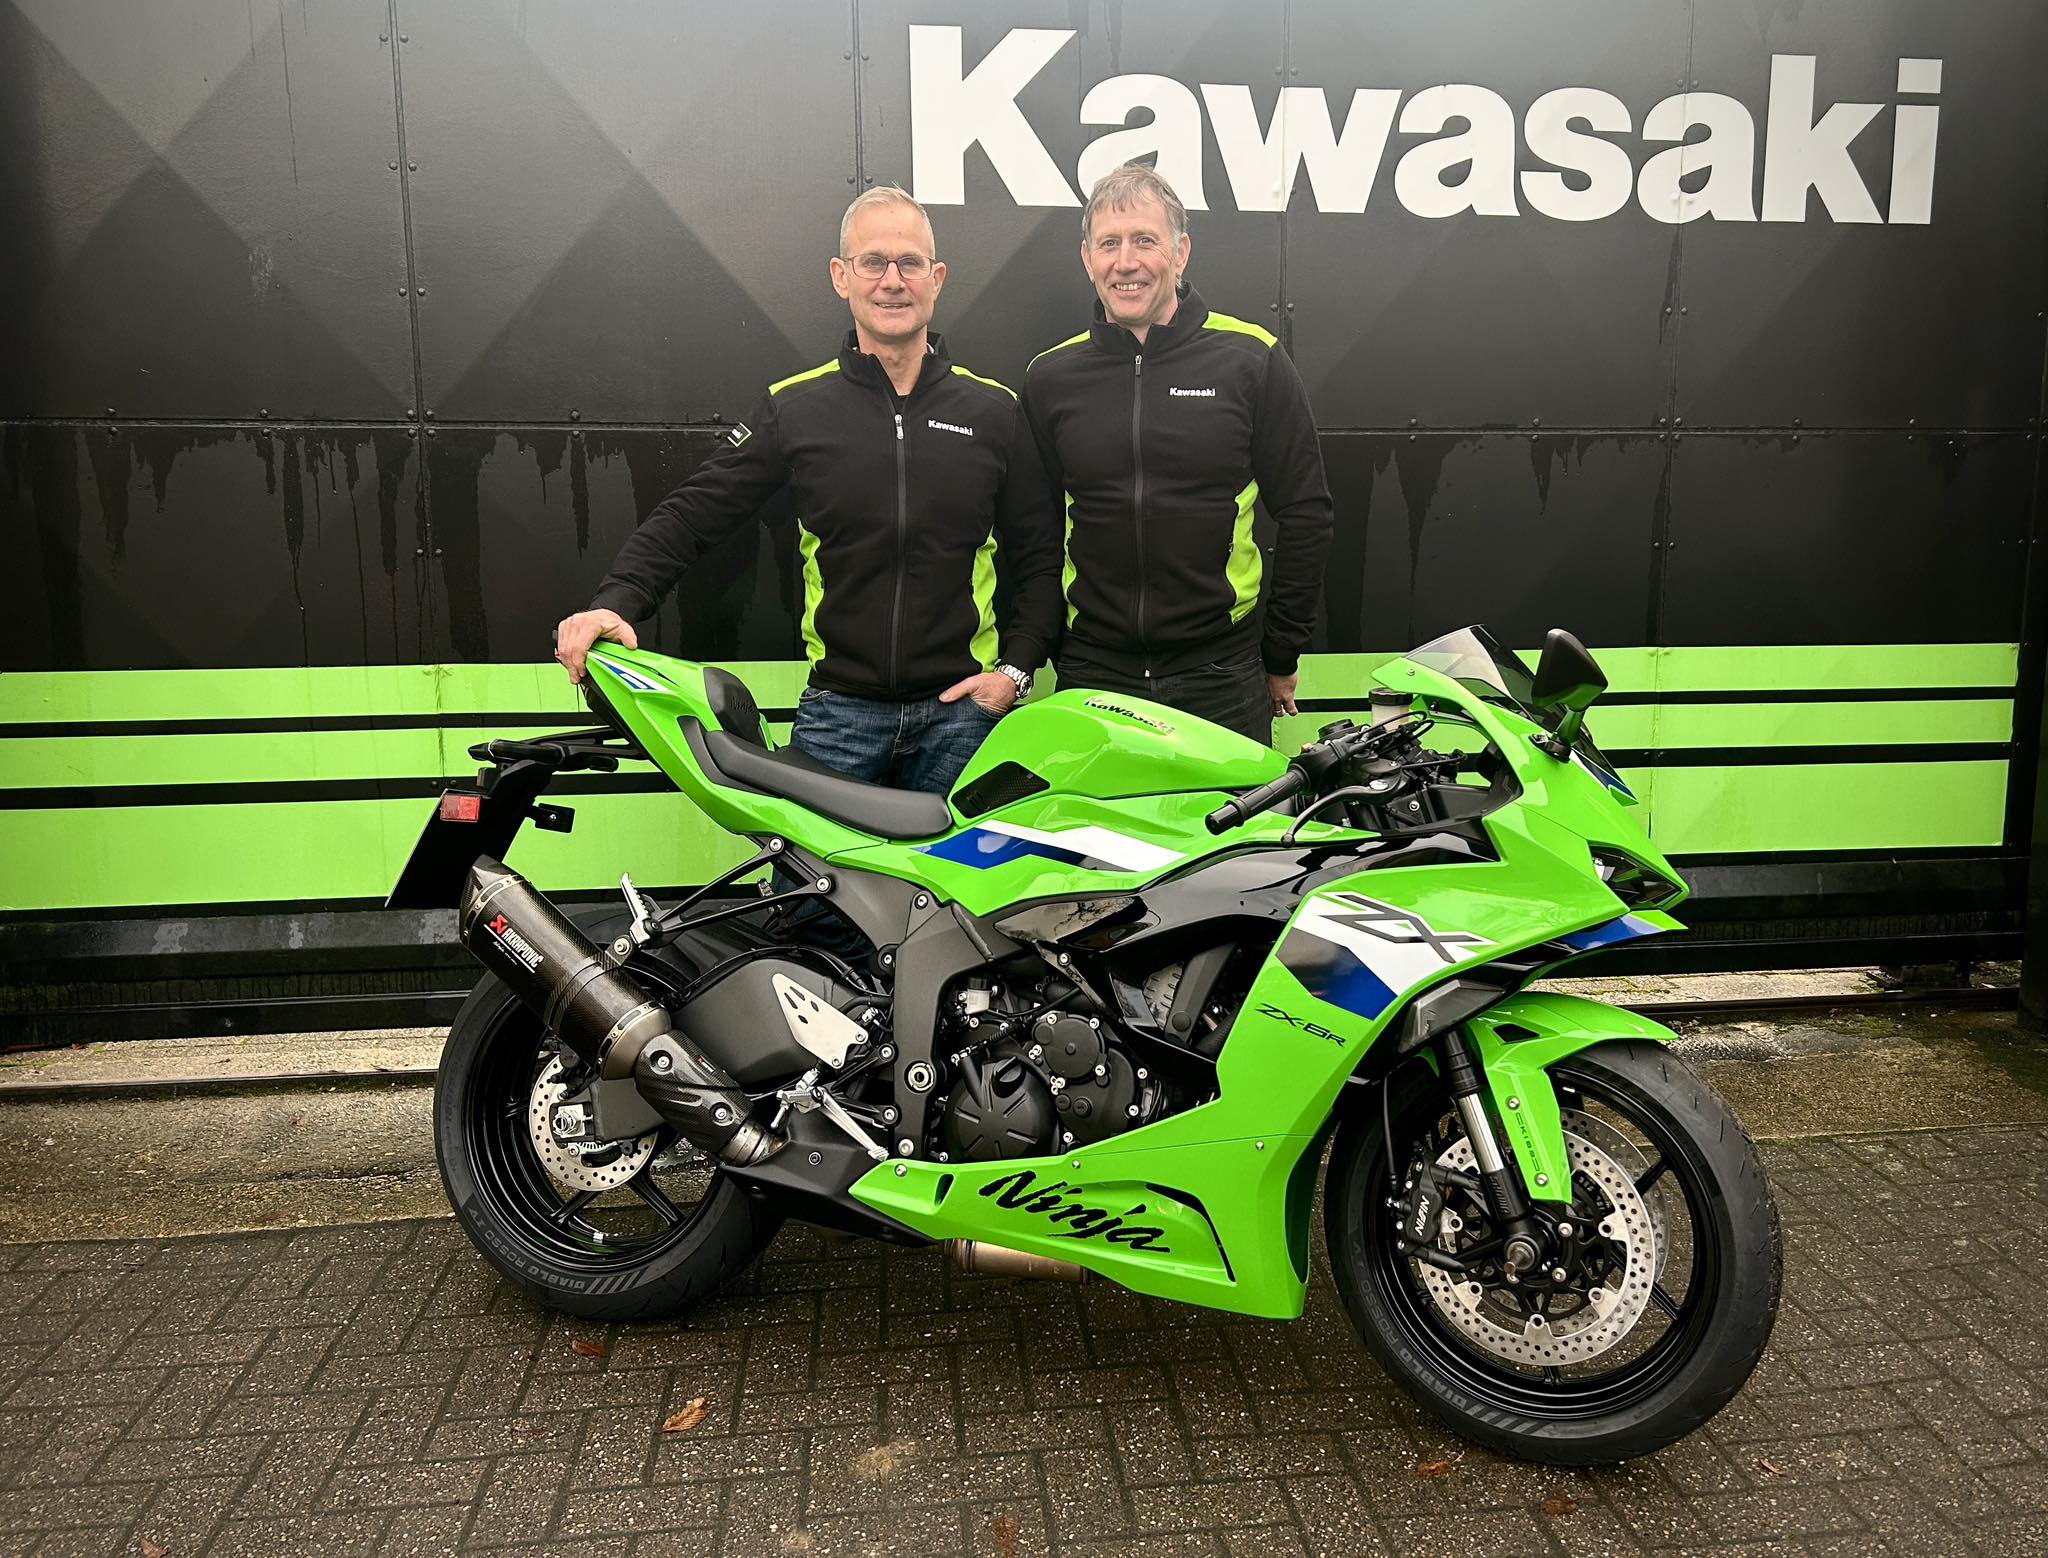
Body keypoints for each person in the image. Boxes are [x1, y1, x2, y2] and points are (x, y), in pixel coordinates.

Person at [555, 186, 1059, 795]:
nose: (892, 281)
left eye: (910, 263)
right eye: (873, 262)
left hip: (964, 719)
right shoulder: (795, 408)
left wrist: (1015, 672)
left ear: (937, 278)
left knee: (976, 866)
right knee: (799, 864)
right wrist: (617, 601)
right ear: (841, 277)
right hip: (840, 717)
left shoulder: (994, 411)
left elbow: (1040, 558)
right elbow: (693, 515)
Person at [1022, 163, 1335, 746]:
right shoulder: (1051, 377)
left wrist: (1282, 648)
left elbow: (1306, 511)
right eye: (1109, 244)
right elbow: (1033, 534)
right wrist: (1032, 650)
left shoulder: (1251, 359)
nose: (1126, 262)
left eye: (1145, 240)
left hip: (1222, 674)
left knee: (1236, 814)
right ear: (1087, 259)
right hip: (1094, 672)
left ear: (1181, 252)